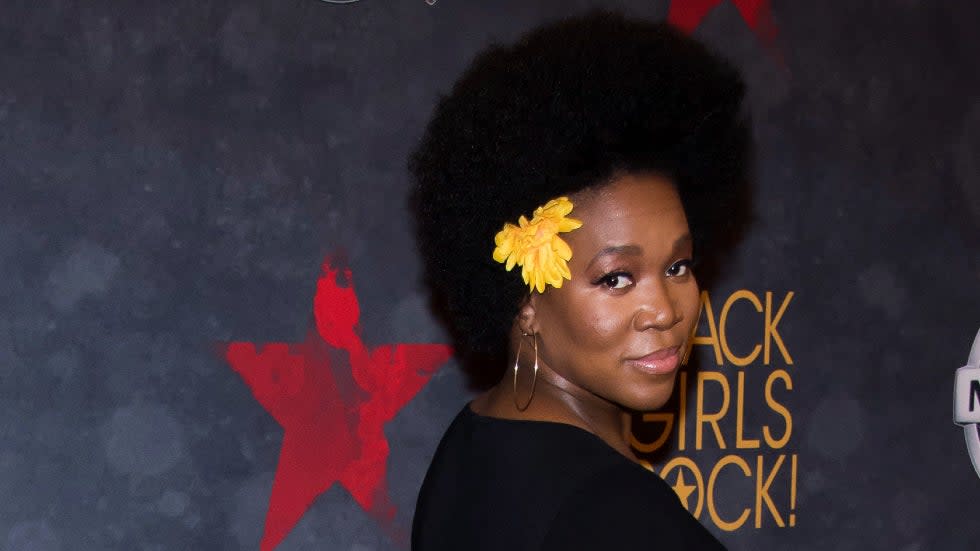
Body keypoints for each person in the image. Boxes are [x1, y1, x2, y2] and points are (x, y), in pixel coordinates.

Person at [408, 8, 751, 550]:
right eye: (616, 278)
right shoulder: (617, 515)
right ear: (524, 299)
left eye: (677, 266)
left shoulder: (474, 440)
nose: (664, 309)